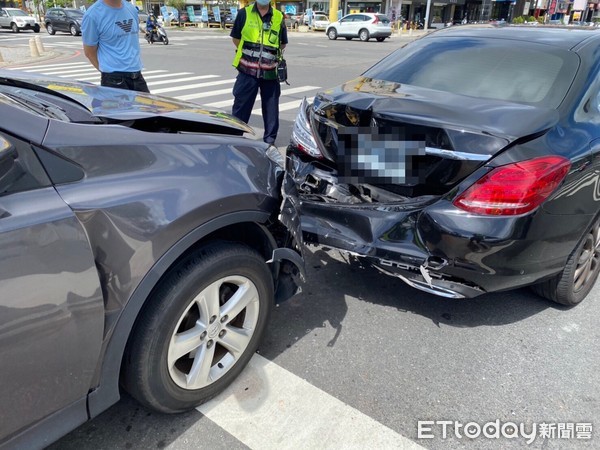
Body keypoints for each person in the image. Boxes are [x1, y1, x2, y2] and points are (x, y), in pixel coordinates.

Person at [230, 0, 287, 145]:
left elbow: (283, 43)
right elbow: (236, 38)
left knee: (271, 109)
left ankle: (269, 142)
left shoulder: (279, 17)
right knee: (241, 107)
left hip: (270, 73)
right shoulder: (244, 13)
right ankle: (234, 138)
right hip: (247, 71)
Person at [81, 0, 150, 93]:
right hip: (113, 80)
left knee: (147, 107)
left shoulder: (131, 9)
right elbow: (89, 52)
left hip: (137, 76)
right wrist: (108, 73)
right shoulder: (92, 15)